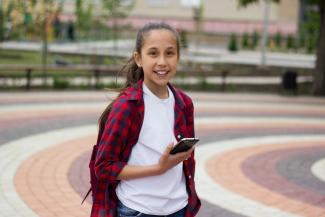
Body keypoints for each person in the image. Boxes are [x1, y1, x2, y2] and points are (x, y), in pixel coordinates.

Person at [92, 22, 201, 217]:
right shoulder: (127, 106)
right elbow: (104, 167)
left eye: (169, 53)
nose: (162, 62)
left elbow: (186, 159)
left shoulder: (184, 103)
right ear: (138, 58)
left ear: (178, 57)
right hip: (139, 209)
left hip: (179, 207)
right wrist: (158, 168)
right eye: (153, 53)